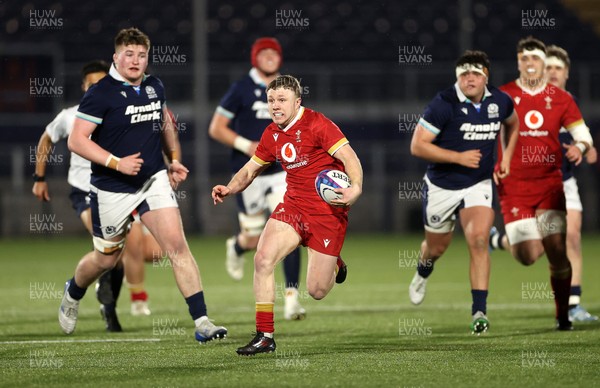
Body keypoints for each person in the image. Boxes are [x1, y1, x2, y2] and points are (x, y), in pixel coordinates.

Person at [58, 27, 227, 342]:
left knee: (177, 246)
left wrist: (172, 158)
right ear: (116, 56)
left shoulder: (154, 85)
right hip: (111, 188)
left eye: (141, 55)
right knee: (106, 259)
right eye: (129, 54)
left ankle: (202, 321)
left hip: (153, 181)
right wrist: (115, 162)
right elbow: (76, 141)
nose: (135, 61)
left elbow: (164, 121)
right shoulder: (101, 92)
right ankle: (74, 291)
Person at [212, 75, 362, 355]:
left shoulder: (319, 124)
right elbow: (251, 169)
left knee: (317, 291)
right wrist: (230, 188)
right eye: (271, 100)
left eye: (282, 100)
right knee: (262, 258)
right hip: (293, 208)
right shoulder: (272, 134)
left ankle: (336, 264)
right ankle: (265, 336)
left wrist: (356, 188)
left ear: (297, 101)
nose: (275, 106)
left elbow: (350, 158)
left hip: (327, 215)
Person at [408, 51, 519, 334]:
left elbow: (513, 122)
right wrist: (458, 158)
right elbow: (418, 146)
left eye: (475, 73)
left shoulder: (500, 100)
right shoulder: (443, 103)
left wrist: (505, 158)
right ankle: (423, 271)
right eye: (464, 74)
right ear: (457, 77)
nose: (469, 79)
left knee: (479, 240)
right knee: (436, 248)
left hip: (478, 184)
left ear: (486, 76)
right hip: (442, 187)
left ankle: (479, 312)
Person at [492, 37, 593, 330]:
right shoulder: (503, 96)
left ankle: (564, 314)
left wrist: (581, 148)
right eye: (524, 59)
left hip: (550, 187)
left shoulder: (562, 99)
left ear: (542, 62)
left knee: (558, 246)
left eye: (535, 58)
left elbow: (583, 134)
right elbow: (487, 131)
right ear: (519, 62)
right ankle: (500, 240)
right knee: (526, 255)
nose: (530, 64)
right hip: (514, 189)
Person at [208, 37, 306, 321]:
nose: (269, 57)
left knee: (290, 230)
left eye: (273, 52)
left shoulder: (287, 87)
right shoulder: (241, 88)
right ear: (255, 58)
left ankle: (291, 299)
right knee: (252, 238)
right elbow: (216, 128)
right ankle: (236, 246)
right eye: (263, 53)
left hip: (281, 172)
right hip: (249, 170)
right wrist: (245, 145)